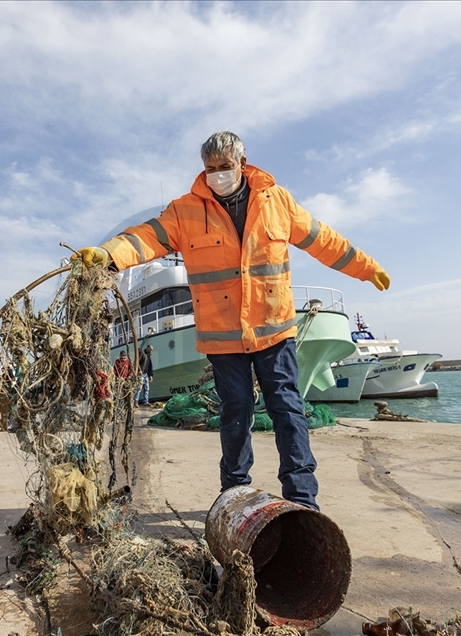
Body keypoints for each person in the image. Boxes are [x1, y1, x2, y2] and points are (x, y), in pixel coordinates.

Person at [76, 131, 390, 510]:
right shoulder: (185, 210)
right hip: (223, 337)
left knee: (287, 409)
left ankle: (302, 498)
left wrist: (366, 268)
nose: (217, 174)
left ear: (242, 163)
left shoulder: (277, 202)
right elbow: (146, 238)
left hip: (274, 331)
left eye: (225, 167)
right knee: (234, 414)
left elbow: (323, 239)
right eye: (210, 169)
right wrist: (108, 254)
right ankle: (234, 492)